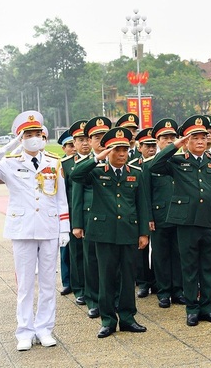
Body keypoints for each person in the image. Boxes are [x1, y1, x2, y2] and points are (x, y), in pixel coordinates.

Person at [0, 111, 70, 351]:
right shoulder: (9, 163)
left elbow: (61, 199)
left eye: (37, 134)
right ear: (20, 138)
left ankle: (44, 329)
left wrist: (64, 229)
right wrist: (10, 145)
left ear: (44, 136)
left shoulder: (53, 162)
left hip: (49, 227)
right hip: (22, 229)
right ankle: (24, 331)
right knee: (25, 284)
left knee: (49, 283)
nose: (34, 138)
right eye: (28, 134)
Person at [71, 127, 151, 338]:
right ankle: (107, 320)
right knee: (105, 277)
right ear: (108, 151)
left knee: (127, 276)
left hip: (128, 232)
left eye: (125, 149)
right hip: (103, 233)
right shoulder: (96, 172)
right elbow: (75, 174)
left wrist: (144, 233)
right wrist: (97, 157)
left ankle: (127, 317)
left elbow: (142, 205)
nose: (122, 154)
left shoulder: (136, 173)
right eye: (117, 150)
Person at [151, 115, 211, 326]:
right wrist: (176, 144)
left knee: (208, 267)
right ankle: (192, 309)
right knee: (189, 267)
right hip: (186, 222)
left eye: (203, 137)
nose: (201, 141)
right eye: (195, 138)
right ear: (187, 141)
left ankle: (207, 306)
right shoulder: (177, 161)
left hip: (210, 220)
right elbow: (154, 165)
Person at [72, 116, 112, 320]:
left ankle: (111, 300)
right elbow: (77, 196)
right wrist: (77, 224)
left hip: (115, 220)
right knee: (92, 261)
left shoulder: (118, 158)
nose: (100, 140)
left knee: (114, 262)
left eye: (104, 135)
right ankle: (94, 301)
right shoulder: (84, 163)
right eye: (96, 137)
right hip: (91, 219)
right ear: (89, 140)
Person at [146, 118, 186, 308]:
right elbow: (145, 194)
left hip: (179, 214)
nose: (169, 141)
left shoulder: (181, 160)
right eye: (165, 137)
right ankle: (163, 291)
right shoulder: (148, 164)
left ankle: (178, 290)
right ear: (157, 140)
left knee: (178, 253)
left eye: (172, 137)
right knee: (160, 255)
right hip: (159, 216)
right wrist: (149, 217)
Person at [61, 120, 91, 307]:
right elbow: (63, 196)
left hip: (96, 214)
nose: (85, 143)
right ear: (74, 143)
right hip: (75, 214)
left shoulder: (102, 158)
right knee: (77, 253)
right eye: (80, 140)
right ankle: (79, 289)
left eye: (87, 139)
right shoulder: (66, 165)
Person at [133, 128, 157, 298]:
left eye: (153, 145)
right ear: (139, 146)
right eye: (147, 146)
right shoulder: (134, 165)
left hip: (159, 212)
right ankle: (142, 282)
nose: (151, 149)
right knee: (141, 249)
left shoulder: (160, 162)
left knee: (158, 250)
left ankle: (156, 280)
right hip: (141, 213)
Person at [57, 131, 75, 296]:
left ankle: (77, 282)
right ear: (64, 148)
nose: (73, 148)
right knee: (65, 250)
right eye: (70, 146)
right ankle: (67, 281)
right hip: (65, 212)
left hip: (77, 211)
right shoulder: (60, 165)